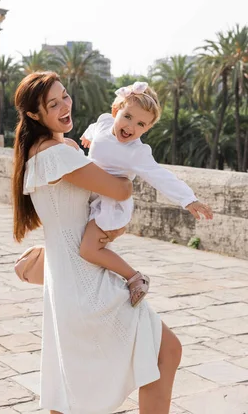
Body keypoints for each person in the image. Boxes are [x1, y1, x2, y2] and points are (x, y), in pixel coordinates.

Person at [13, 71, 183, 414]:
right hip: (86, 281)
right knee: (165, 352)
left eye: (65, 96)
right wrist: (129, 176)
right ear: (34, 114)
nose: (64, 106)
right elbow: (120, 190)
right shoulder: (58, 154)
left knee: (71, 384)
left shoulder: (42, 151)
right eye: (53, 103)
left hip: (69, 282)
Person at [79, 81, 213, 307]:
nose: (131, 127)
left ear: (147, 129)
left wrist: (188, 199)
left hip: (109, 205)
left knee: (88, 249)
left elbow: (160, 175)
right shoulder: (104, 123)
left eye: (140, 124)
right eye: (128, 117)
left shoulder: (137, 152)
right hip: (91, 194)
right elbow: (94, 128)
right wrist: (86, 136)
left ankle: (134, 278)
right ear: (115, 111)